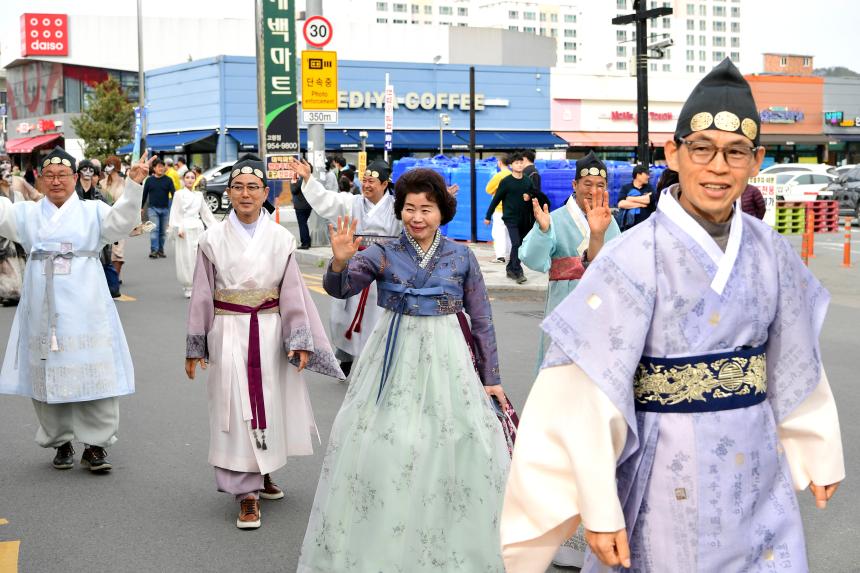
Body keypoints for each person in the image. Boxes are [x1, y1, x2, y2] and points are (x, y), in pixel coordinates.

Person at [500, 59, 845, 573]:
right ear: (674, 153)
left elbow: (795, 355)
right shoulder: (631, 256)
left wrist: (816, 443)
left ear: (757, 161)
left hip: (755, 469)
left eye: (736, 153)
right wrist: (598, 504)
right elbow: (585, 390)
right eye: (702, 149)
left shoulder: (771, 252)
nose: (718, 166)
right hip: (667, 474)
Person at [298, 168, 510, 572]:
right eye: (410, 208)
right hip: (391, 354)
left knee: (453, 442)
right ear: (400, 211)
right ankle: (382, 538)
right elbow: (341, 288)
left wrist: (492, 378)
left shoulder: (462, 256)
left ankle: (446, 541)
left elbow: (481, 318)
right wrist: (340, 262)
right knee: (386, 442)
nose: (417, 217)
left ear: (442, 212)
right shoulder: (383, 252)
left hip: (448, 353)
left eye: (426, 209)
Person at [185, 154, 342, 529]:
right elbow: (202, 294)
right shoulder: (212, 240)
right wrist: (195, 346)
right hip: (228, 331)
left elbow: (292, 294)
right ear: (229, 192)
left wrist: (300, 339)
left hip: (270, 332)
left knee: (270, 404)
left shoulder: (281, 238)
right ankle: (246, 493)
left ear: (264, 192)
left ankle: (263, 469)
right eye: (237, 187)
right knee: (234, 406)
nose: (244, 194)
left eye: (252, 187)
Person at [0, 147, 151, 472]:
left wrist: (134, 185)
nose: (57, 181)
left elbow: (122, 222)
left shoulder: (94, 211)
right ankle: (60, 441)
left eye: (63, 175)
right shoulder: (25, 213)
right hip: (43, 307)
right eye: (49, 175)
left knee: (93, 368)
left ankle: (96, 444)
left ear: (74, 178)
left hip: (87, 305)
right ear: (39, 179)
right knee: (47, 370)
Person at [290, 158, 401, 377]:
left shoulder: (396, 207)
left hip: (384, 271)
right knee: (343, 316)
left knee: (379, 319)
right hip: (355, 267)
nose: (367, 185)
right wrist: (308, 179)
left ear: (385, 184)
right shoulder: (352, 203)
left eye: (372, 182)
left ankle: (377, 363)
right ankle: (345, 355)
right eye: (365, 181)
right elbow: (325, 200)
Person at [483, 151, 537, 284]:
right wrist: (488, 216)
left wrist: (530, 196)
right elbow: (496, 199)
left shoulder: (527, 180)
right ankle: (517, 271)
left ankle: (510, 268)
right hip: (510, 218)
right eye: (516, 163)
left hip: (524, 218)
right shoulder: (506, 182)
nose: (519, 165)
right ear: (511, 165)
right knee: (516, 243)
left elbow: (535, 193)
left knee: (520, 244)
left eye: (521, 163)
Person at [169, 169, 218, 298]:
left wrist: (216, 227)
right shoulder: (179, 194)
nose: (190, 179)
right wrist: (178, 227)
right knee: (186, 258)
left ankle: (200, 284)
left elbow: (206, 213)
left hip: (198, 228)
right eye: (187, 177)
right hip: (184, 229)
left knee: (198, 257)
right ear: (184, 179)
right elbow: (175, 212)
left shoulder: (199, 195)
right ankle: (188, 285)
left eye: (192, 177)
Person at [0, 169, 28, 305]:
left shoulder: (18, 195)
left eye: (10, 174)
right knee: (6, 267)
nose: (10, 177)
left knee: (19, 265)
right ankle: (7, 293)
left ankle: (17, 292)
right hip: (3, 239)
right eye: (6, 175)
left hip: (18, 236)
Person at [99, 156, 128, 279]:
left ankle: (115, 279)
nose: (107, 167)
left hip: (120, 220)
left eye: (110, 165)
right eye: (106, 165)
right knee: (105, 251)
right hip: (105, 219)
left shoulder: (125, 182)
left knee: (118, 251)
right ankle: (107, 278)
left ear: (116, 166)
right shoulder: (102, 183)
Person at [142, 158, 174, 258]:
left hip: (165, 209)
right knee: (154, 230)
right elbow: (144, 194)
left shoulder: (168, 180)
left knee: (163, 232)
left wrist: (176, 208)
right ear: (154, 168)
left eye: (162, 166)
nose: (161, 168)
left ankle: (160, 250)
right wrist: (141, 207)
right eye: (159, 167)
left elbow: (174, 194)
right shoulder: (149, 180)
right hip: (153, 209)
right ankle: (154, 251)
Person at [485, 154, 512, 264]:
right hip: (511, 209)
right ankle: (511, 255)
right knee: (510, 234)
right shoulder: (513, 175)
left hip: (500, 209)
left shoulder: (498, 176)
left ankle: (500, 256)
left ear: (500, 162)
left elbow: (488, 189)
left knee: (499, 233)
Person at [616, 165, 655, 230]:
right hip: (629, 228)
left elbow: (648, 200)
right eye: (646, 174)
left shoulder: (649, 188)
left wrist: (630, 198)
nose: (648, 177)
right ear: (638, 175)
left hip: (646, 227)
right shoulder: (626, 188)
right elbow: (621, 204)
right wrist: (641, 204)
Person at [291, 163, 314, 249]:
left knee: (302, 224)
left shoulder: (300, 180)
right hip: (308, 205)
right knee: (304, 223)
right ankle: (307, 241)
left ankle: (305, 243)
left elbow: (294, 190)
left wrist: (292, 182)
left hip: (301, 206)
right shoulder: (310, 179)